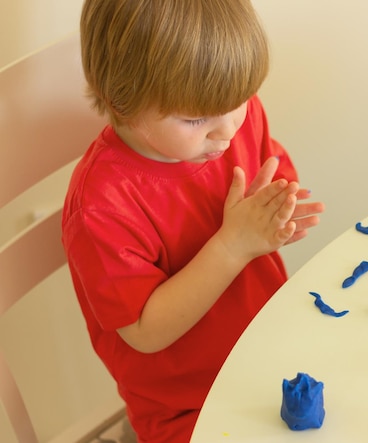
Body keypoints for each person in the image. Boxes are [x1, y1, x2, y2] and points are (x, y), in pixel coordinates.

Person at [61, 1, 325, 441]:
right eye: (196, 118)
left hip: (269, 351)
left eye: (238, 101)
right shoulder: (100, 207)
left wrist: (278, 214)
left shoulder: (232, 117)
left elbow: (270, 172)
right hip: (186, 407)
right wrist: (232, 245)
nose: (226, 131)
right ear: (120, 103)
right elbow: (145, 331)